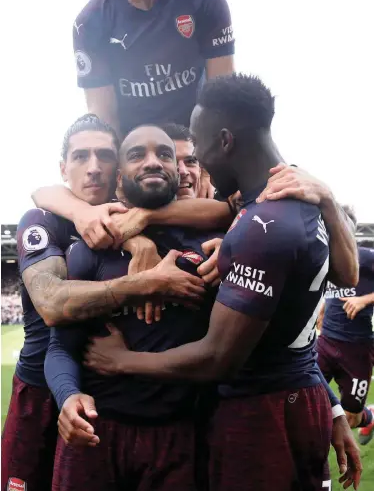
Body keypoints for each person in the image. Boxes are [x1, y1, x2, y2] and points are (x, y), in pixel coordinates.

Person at [83, 74, 363, 491]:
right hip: (280, 399)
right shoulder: (292, 194)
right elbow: (342, 277)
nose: (188, 167)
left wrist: (119, 361)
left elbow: (220, 357)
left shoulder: (262, 224)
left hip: (258, 411)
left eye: (195, 151)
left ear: (225, 141)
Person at [1, 115, 204, 491]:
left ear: (119, 169)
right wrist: (144, 283)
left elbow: (218, 209)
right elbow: (51, 303)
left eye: (104, 156)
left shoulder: (131, 221)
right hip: (44, 391)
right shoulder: (45, 219)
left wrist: (137, 235)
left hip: (105, 401)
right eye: (80, 157)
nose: (93, 168)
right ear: (63, 168)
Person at [44, 124, 225, 491]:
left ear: (179, 171)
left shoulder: (215, 248)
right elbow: (61, 347)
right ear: (119, 178)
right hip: (98, 432)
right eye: (136, 155)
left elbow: (244, 343)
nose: (153, 162)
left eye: (164, 154)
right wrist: (68, 395)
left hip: (179, 437)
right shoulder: (91, 249)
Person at [74, 0, 235, 197]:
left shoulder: (206, 1)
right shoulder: (92, 21)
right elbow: (105, 122)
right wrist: (120, 189)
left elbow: (222, 103)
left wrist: (210, 172)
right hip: (139, 160)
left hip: (194, 152)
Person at [317, 218, 374, 446]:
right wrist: (322, 309)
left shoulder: (366, 255)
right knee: (301, 394)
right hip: (326, 341)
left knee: (352, 417)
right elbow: (333, 290)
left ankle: (369, 417)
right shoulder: (329, 256)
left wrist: (364, 300)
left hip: (357, 349)